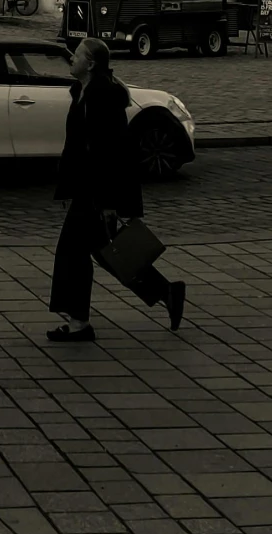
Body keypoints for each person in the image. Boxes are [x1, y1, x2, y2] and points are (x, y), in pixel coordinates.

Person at [48, 37, 184, 342]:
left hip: (99, 192)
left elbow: (113, 153)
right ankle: (167, 292)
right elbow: (78, 148)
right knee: (107, 253)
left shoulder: (103, 97)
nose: (71, 58)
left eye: (77, 55)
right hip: (88, 188)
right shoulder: (82, 92)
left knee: (72, 252)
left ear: (91, 64)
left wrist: (110, 202)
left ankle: (79, 323)